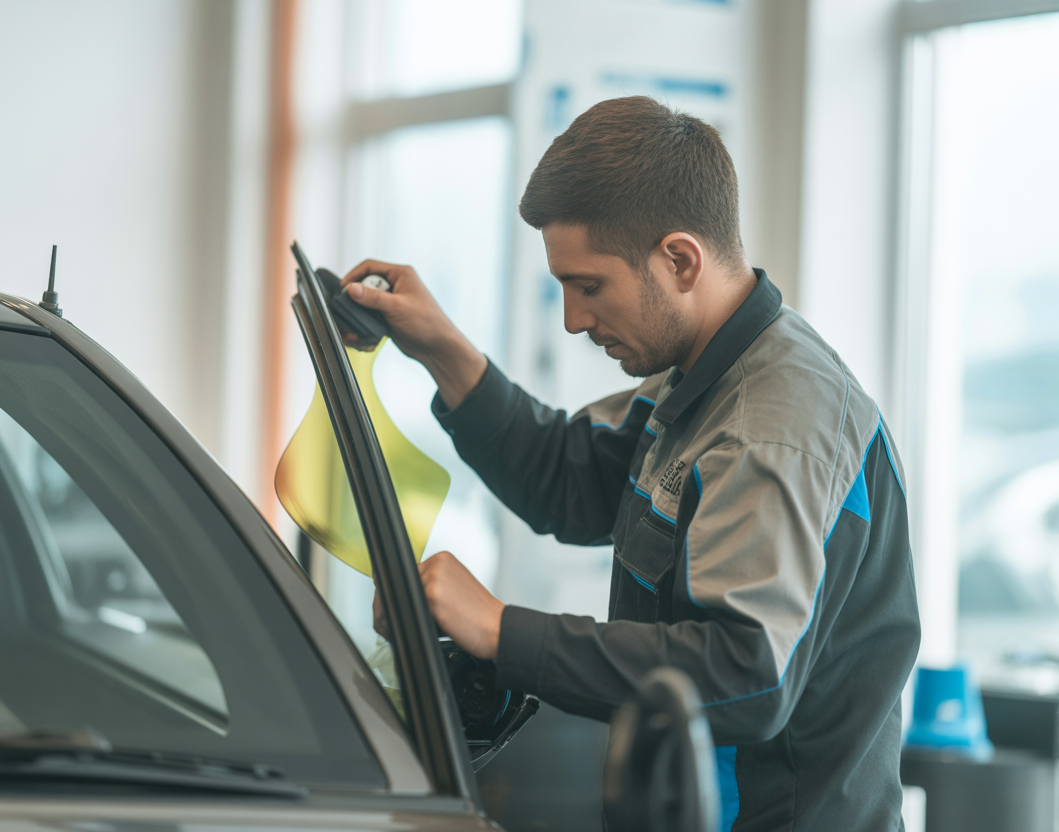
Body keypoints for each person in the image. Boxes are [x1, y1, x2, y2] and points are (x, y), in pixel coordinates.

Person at [343, 96, 920, 832]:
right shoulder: (698, 384)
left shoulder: (772, 428)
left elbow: (746, 677)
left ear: (679, 259)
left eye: (589, 286)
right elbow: (570, 478)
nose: (574, 319)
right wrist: (442, 351)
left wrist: (502, 630)